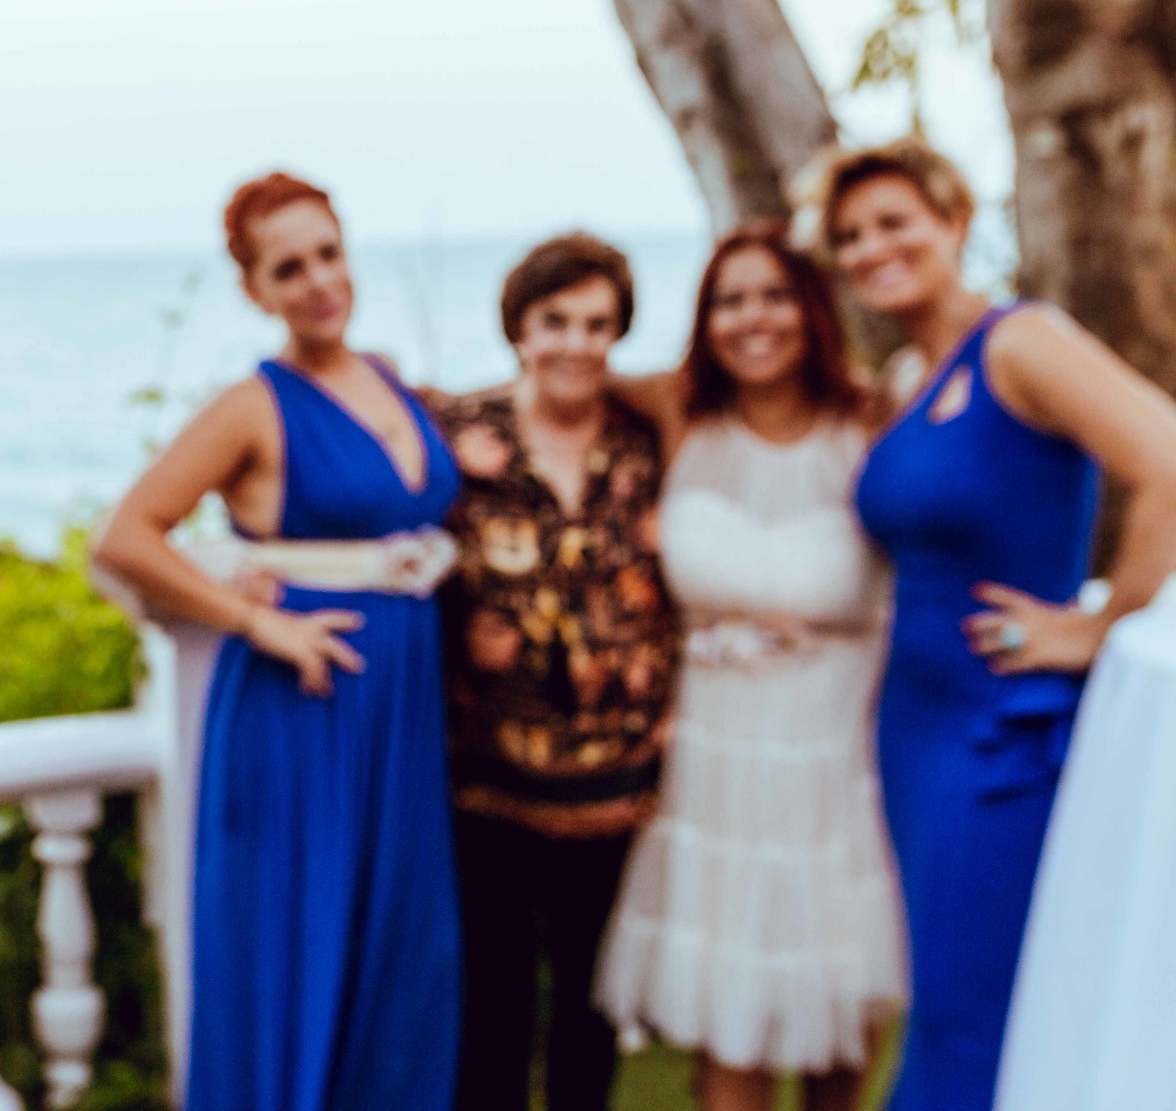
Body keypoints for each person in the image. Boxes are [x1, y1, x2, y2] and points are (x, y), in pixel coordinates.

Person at [810, 139, 1176, 1111]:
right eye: (848, 235)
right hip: (912, 723)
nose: (869, 248)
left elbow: (1167, 461)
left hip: (997, 728)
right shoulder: (903, 379)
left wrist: (1097, 628)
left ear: (953, 222)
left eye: (893, 222)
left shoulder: (1020, 342)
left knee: (972, 1008)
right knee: (941, 991)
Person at [95, 171, 462, 1111]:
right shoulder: (252, 405)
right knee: (299, 952)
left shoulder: (384, 375)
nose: (318, 281)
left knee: (395, 955)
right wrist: (257, 617)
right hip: (304, 713)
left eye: (328, 254)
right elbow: (126, 536)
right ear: (257, 290)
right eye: (288, 268)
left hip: (402, 712)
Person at [593, 221, 907, 1111]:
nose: (751, 318)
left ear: (810, 307)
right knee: (725, 1028)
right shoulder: (678, 410)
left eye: (772, 294)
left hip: (839, 759)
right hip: (718, 765)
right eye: (729, 299)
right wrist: (393, 384)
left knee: (837, 1017)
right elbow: (555, 381)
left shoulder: (872, 419)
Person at [425, 232, 680, 1111]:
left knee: (590, 1012)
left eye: (598, 323)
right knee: (490, 1016)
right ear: (518, 328)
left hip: (618, 787)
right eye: (556, 321)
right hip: (489, 787)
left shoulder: (647, 439)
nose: (577, 342)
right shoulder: (460, 438)